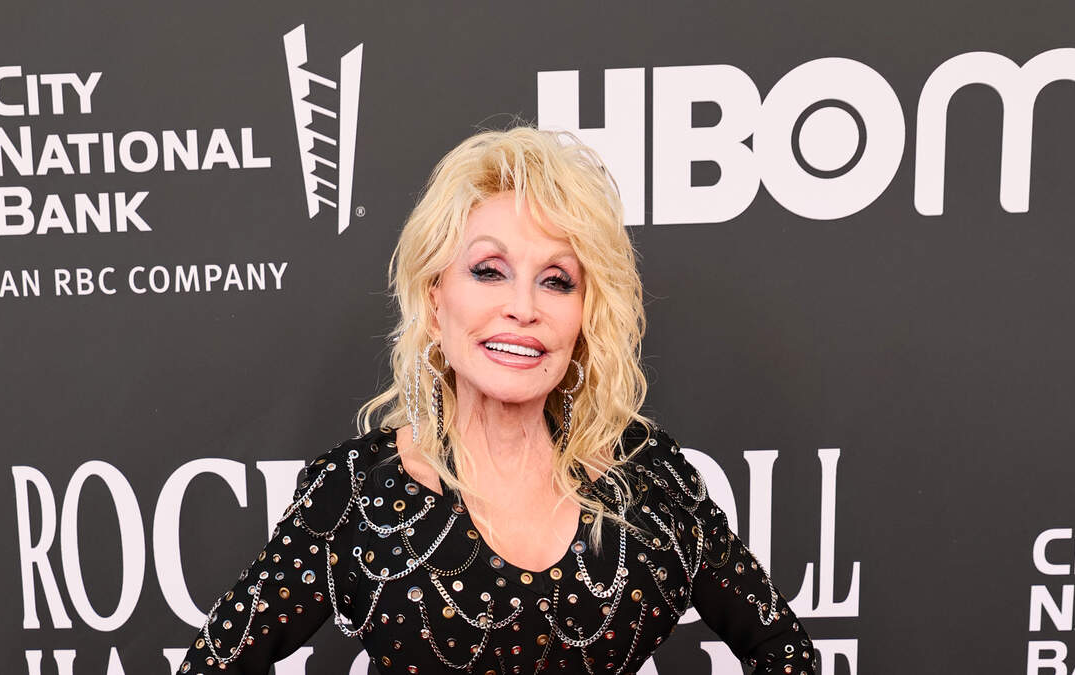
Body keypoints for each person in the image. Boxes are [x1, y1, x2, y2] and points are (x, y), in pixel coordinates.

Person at [174, 126, 816, 674]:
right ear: (435, 298)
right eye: (489, 271)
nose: (523, 308)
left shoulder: (650, 482)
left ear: (586, 315)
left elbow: (785, 653)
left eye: (556, 281)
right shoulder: (357, 496)